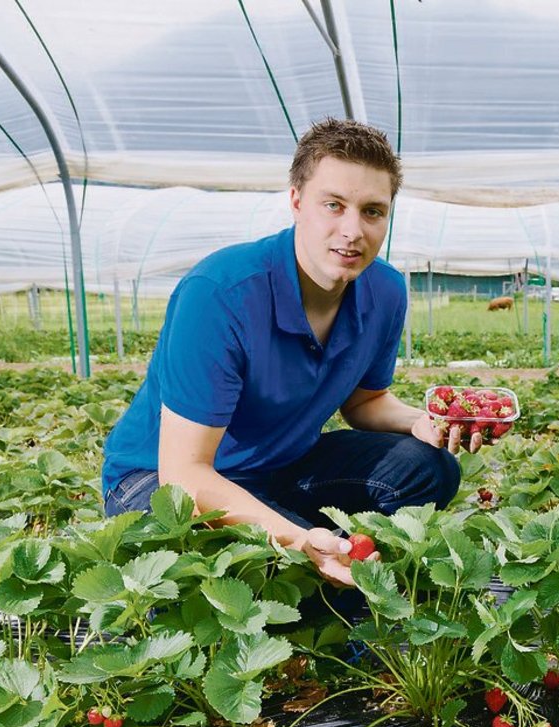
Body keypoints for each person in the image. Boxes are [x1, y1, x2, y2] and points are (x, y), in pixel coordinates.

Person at [101, 118, 487, 588]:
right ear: (297, 201)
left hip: (279, 467)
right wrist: (297, 538)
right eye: (333, 205)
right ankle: (309, 550)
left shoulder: (385, 290)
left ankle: (310, 544)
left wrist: (423, 421)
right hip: (158, 480)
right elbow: (184, 475)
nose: (352, 231)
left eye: (372, 211)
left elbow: (364, 402)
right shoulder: (221, 293)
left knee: (428, 469)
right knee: (275, 580)